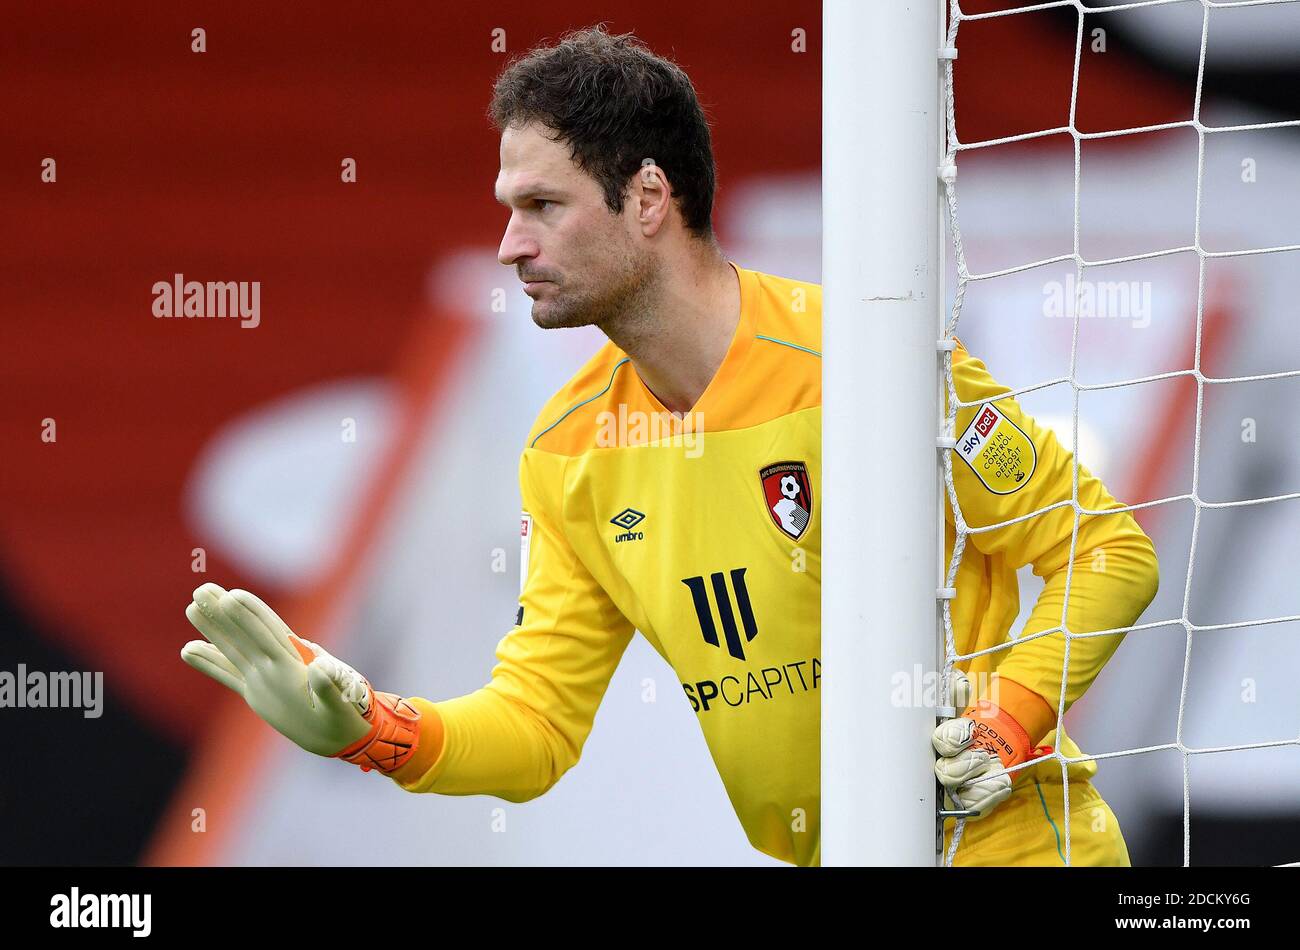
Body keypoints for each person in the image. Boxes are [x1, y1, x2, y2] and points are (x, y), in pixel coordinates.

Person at [181, 25, 1159, 867]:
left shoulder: (864, 360)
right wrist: (370, 731)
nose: (508, 244)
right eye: (507, 207)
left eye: (541, 205)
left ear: (647, 198)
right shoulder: (569, 450)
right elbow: (535, 727)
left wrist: (1006, 722)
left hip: (1015, 852)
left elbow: (1104, 549)